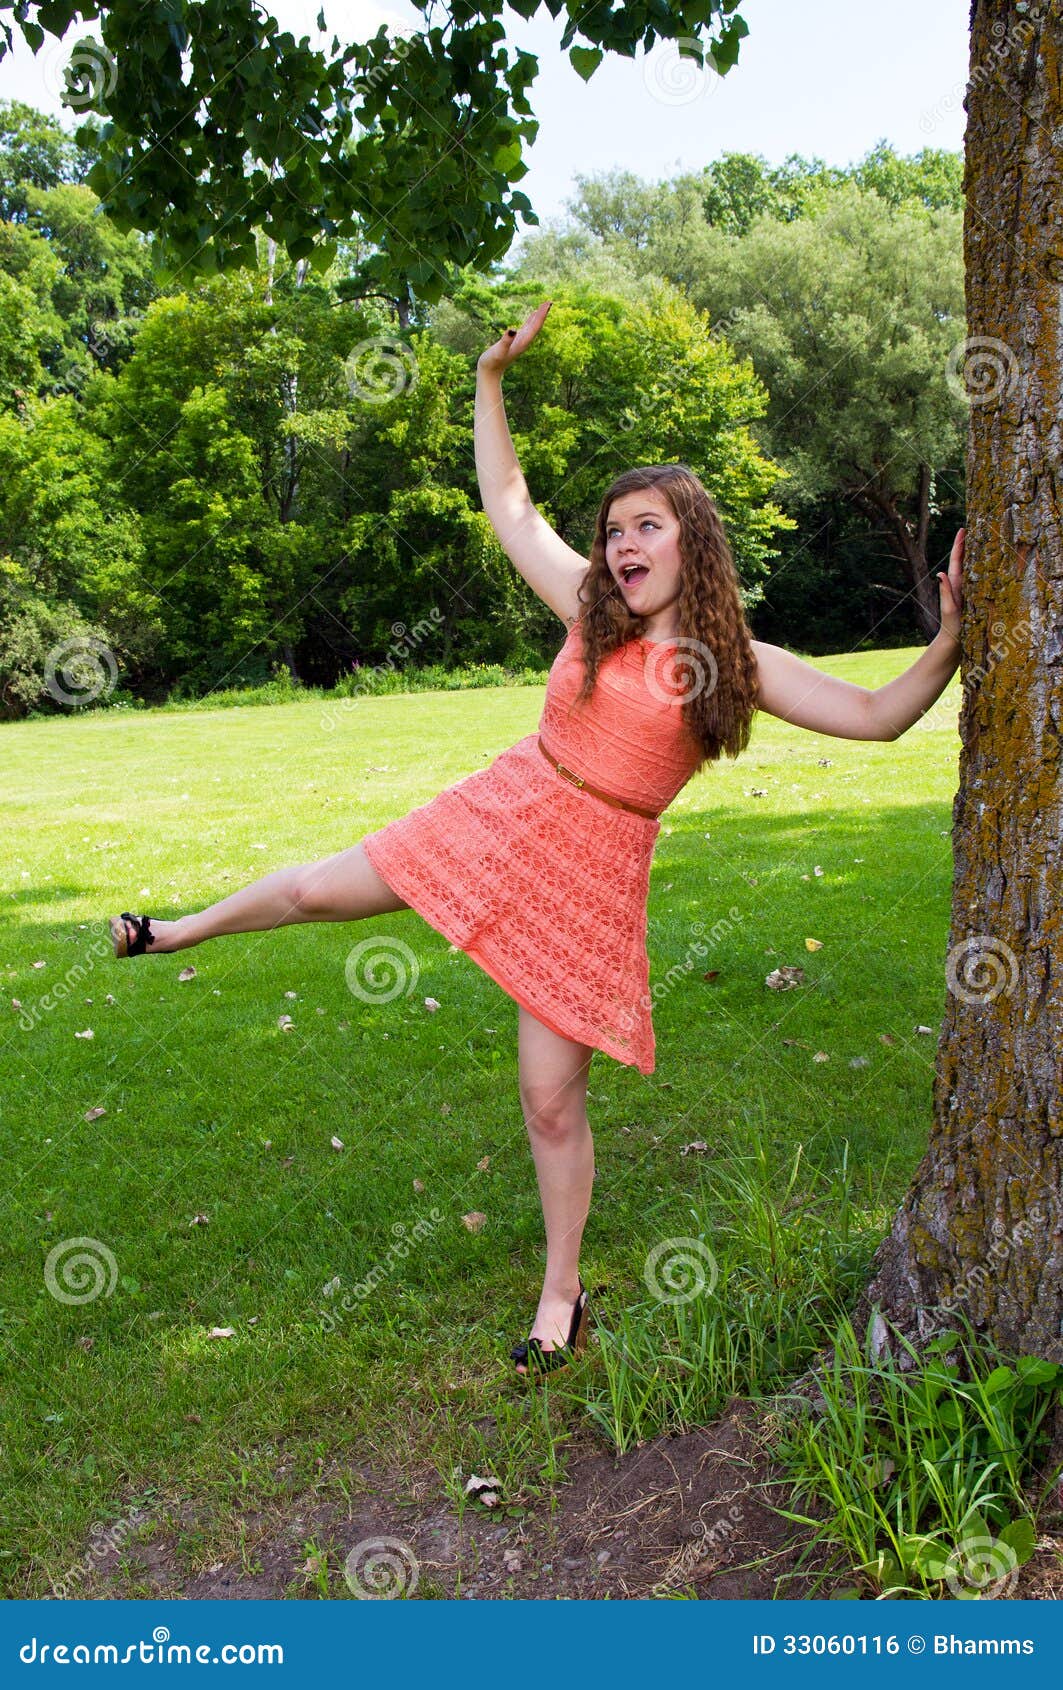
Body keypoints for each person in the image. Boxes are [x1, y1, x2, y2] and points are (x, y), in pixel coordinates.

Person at [109, 299, 965, 1376]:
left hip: (594, 871)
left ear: (692, 541)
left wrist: (950, 641)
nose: (619, 544)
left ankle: (561, 1293)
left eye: (644, 526)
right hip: (507, 810)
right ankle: (176, 931)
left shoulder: (732, 659)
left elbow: (880, 714)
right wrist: (488, 382)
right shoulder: (586, 608)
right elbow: (510, 507)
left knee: (549, 1096)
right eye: (613, 531)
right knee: (317, 891)